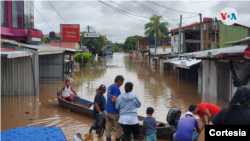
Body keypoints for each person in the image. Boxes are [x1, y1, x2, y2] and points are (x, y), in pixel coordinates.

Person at [106, 75, 124, 141]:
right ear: (119, 81)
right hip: (115, 112)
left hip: (108, 111)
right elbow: (114, 100)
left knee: (108, 128)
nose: (121, 84)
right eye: (122, 83)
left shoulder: (109, 87)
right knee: (118, 128)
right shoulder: (116, 88)